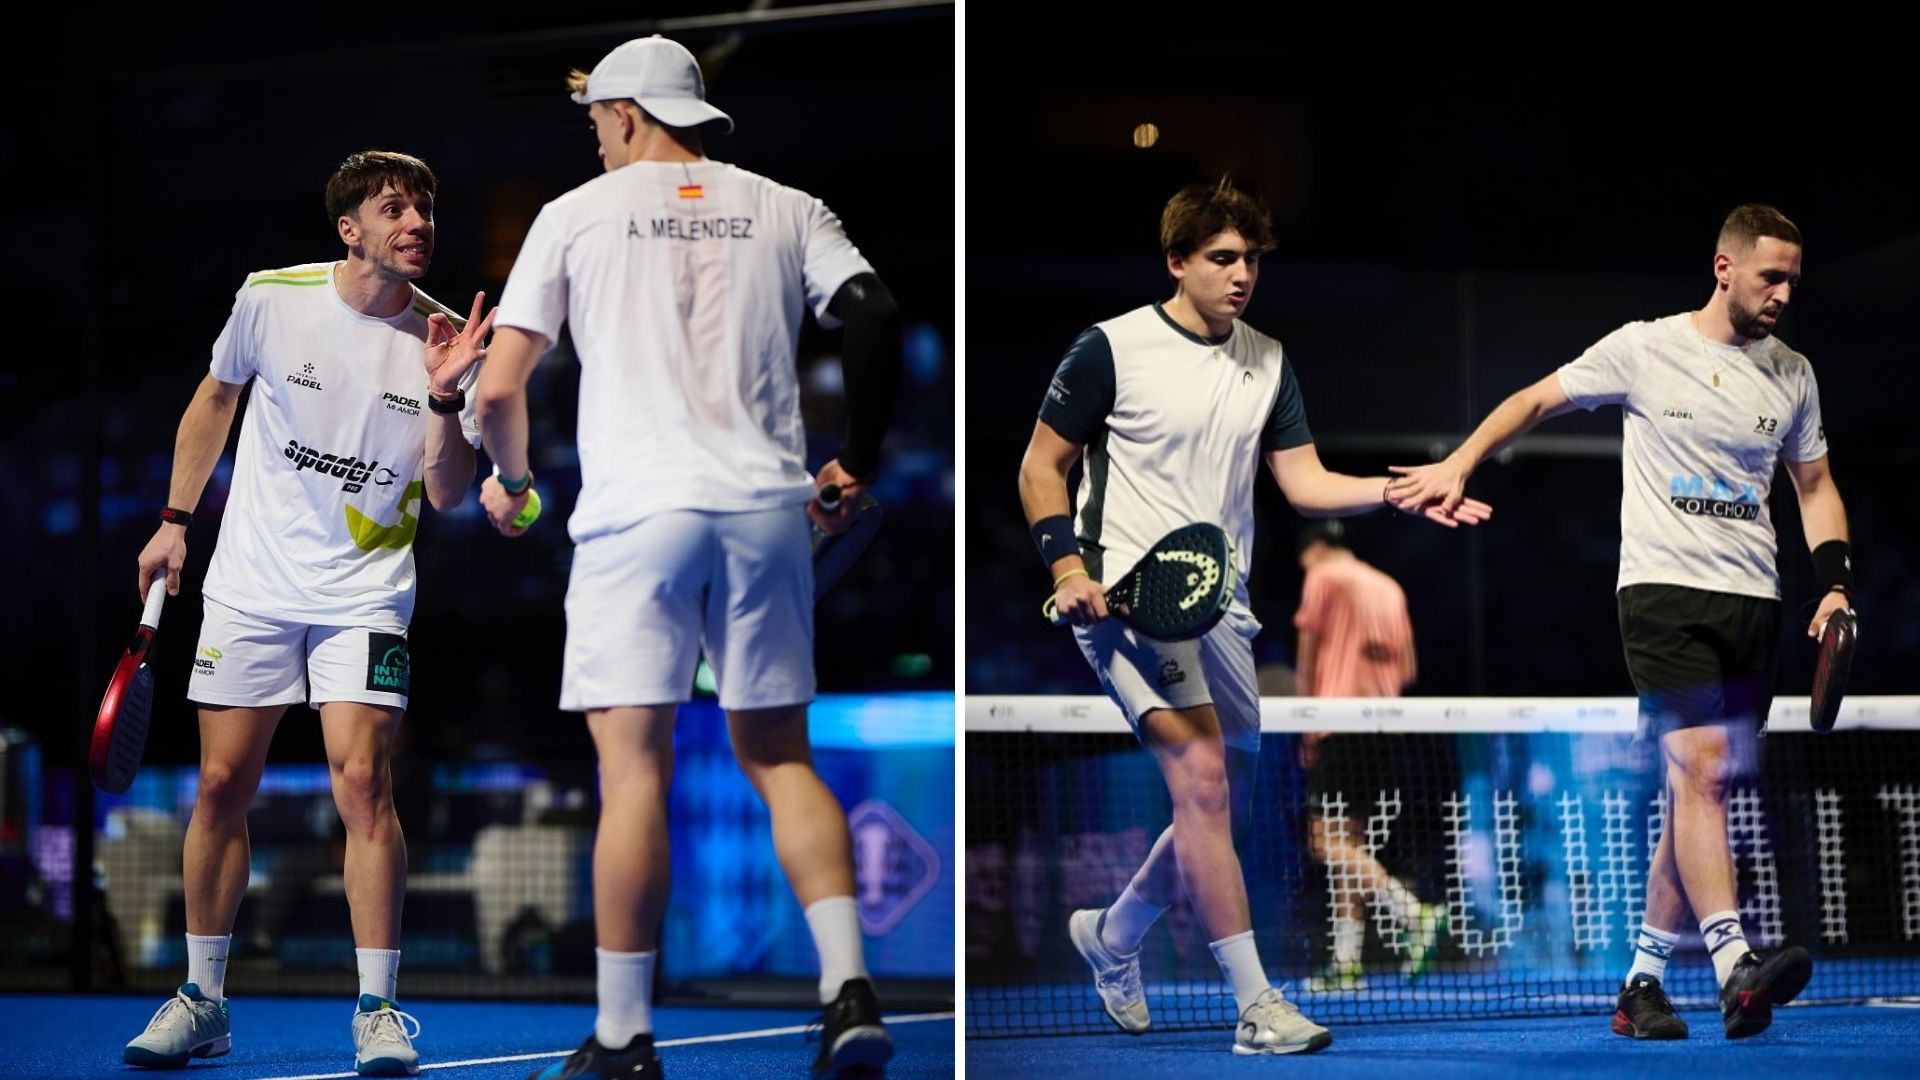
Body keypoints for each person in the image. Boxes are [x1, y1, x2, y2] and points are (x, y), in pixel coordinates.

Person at [469, 36, 904, 1080]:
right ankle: (848, 991)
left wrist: (513, 483)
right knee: (781, 758)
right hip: (765, 512)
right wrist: (857, 460)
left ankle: (624, 1037)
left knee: (634, 772)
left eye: (597, 123)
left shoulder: (573, 214)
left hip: (636, 519)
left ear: (625, 114)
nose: (597, 141)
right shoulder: (789, 207)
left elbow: (498, 387)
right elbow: (875, 316)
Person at [1019, 176, 1491, 1055]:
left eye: (1252, 261)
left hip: (1220, 607)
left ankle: (1112, 937)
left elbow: (1305, 485)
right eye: (1222, 258)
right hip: (1126, 596)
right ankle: (1255, 1005)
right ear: (1177, 261)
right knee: (1201, 782)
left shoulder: (1268, 360)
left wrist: (1403, 493)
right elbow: (1040, 467)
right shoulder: (1109, 348)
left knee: (1224, 808)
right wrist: (1068, 566)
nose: (1241, 275)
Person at [1388, 203, 1846, 1040]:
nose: (1783, 293)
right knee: (1702, 772)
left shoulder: (1794, 373)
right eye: (1770, 276)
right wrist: (1460, 460)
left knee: (1693, 792)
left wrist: (1835, 585)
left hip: (1756, 600)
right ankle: (1734, 964)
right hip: (1665, 595)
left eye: (1792, 280)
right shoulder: (1645, 347)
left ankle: (1641, 984)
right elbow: (1535, 399)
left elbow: (1812, 486)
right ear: (1724, 269)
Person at [124, 150, 494, 1076]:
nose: (417, 222)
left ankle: (378, 1009)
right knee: (221, 786)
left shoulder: (447, 336)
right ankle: (202, 999)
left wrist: (446, 393)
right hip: (251, 581)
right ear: (349, 229)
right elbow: (215, 398)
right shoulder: (271, 296)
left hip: (365, 591)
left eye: (425, 208)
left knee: (363, 782)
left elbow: (449, 493)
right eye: (394, 208)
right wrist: (174, 521)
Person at [1291, 521, 1444, 992]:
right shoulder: (1390, 587)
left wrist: (1305, 724)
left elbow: (1307, 660)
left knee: (1323, 843)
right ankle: (1346, 961)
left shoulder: (1322, 576)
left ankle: (1411, 911)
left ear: (1317, 549)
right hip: (1385, 728)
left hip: (1337, 724)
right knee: (1350, 849)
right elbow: (1409, 669)